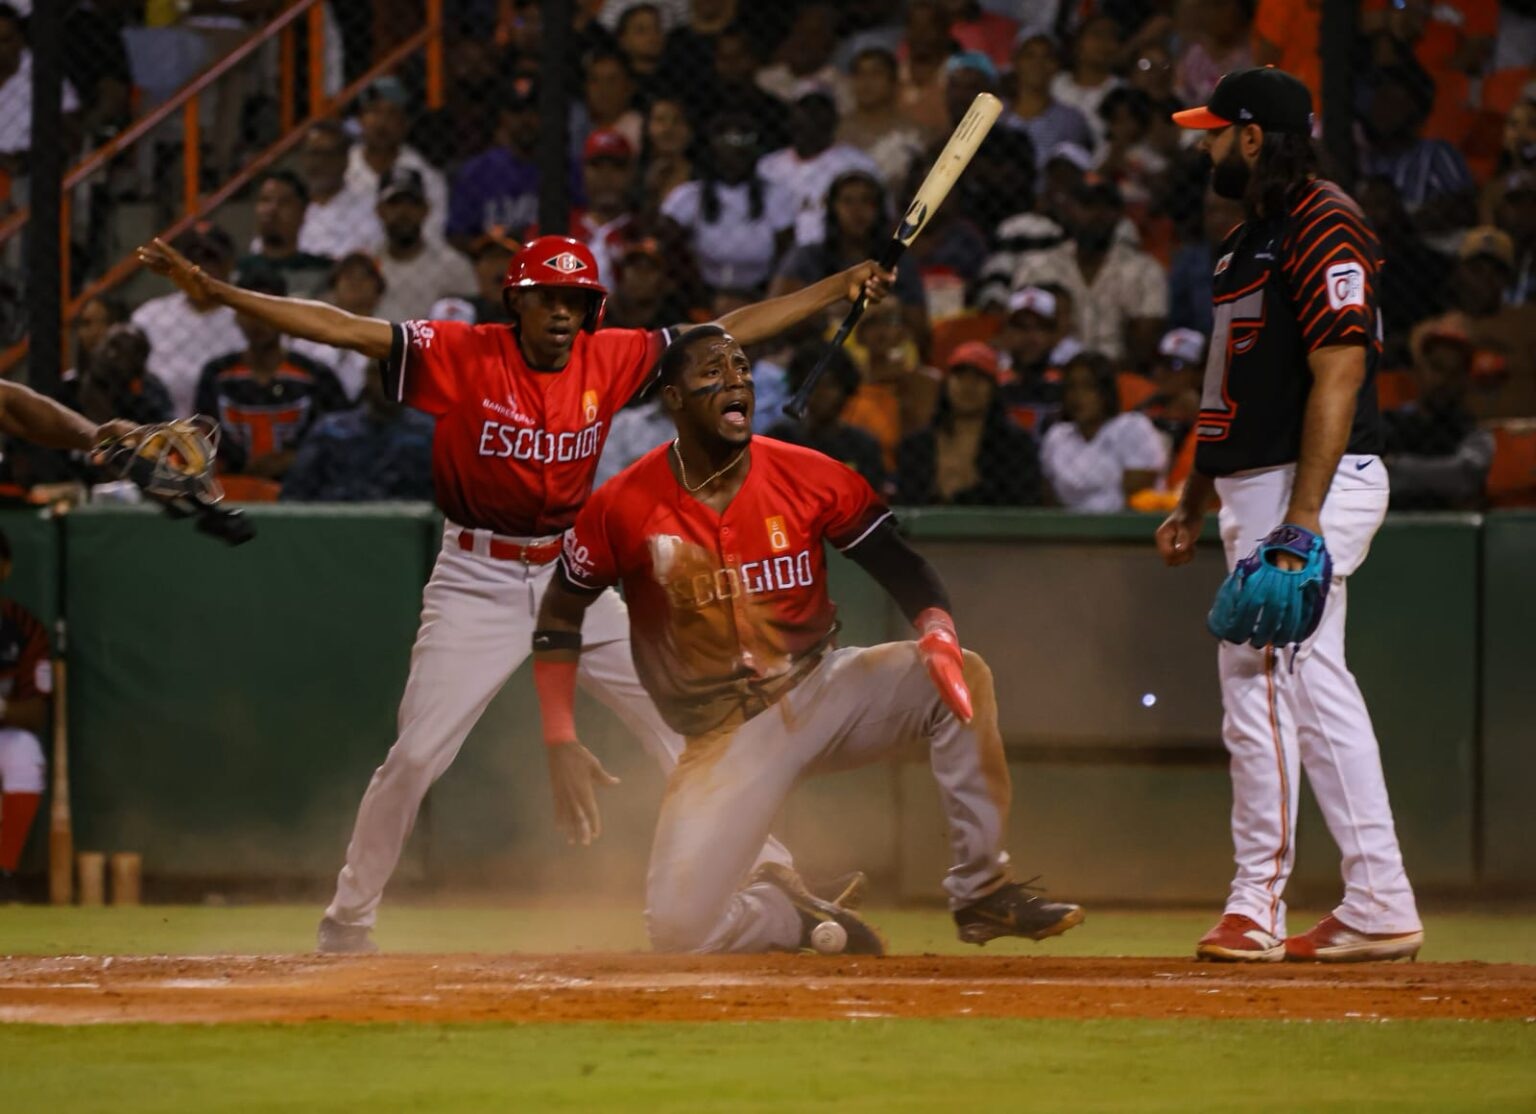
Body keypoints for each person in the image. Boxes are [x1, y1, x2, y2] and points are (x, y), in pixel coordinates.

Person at [136, 230, 897, 954]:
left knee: (690, 724)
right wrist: (215, 290)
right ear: (516, 303)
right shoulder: (461, 353)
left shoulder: (613, 356)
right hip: (476, 579)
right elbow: (340, 328)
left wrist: (836, 287)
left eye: (576, 300)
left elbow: (727, 329)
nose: (564, 312)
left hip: (573, 577)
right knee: (417, 756)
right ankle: (347, 920)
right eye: (547, 298)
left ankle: (778, 874)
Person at [529, 325, 1084, 954]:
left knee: (963, 675)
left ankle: (982, 890)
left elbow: (902, 566)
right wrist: (558, 733)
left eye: (741, 366)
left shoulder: (807, 474)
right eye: (712, 370)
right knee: (679, 931)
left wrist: (936, 628)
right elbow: (558, 615)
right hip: (723, 739)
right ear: (674, 399)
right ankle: (783, 912)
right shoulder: (622, 505)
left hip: (824, 689)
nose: (735, 378)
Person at [1157, 68, 1423, 963]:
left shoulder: (1325, 222)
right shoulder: (1243, 245)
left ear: (1255, 138)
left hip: (1316, 484)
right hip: (1253, 488)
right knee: (1304, 677)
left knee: (1267, 671)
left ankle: (1256, 902)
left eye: (1215, 131)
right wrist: (1196, 498)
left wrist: (1301, 522)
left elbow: (1338, 373)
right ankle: (1378, 897)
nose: (1204, 145)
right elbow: (1226, 392)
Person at [193, 271, 349, 481]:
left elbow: (343, 436)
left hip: (303, 488)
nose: (257, 321)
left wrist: (296, 458)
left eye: (266, 311)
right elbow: (204, 435)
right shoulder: (217, 375)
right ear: (236, 316)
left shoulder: (315, 375)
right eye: (248, 310)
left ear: (285, 315)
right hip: (232, 487)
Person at [1011, 176, 1167, 367]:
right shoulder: (1037, 267)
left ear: (1119, 214)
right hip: (1052, 372)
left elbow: (1145, 348)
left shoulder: (1145, 270)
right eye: (1087, 205)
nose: (1097, 215)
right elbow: (1019, 334)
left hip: (1121, 376)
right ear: (1069, 210)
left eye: (1106, 207)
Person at [771, 170, 929, 348]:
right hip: (817, 353)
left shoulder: (898, 260)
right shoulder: (807, 257)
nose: (857, 211)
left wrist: (889, 308)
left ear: (879, 209)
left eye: (866, 201)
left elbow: (920, 328)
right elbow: (775, 319)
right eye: (847, 201)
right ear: (832, 208)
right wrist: (828, 310)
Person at [660, 113, 796, 291]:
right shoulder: (688, 196)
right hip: (701, 293)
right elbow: (665, 246)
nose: (733, 157)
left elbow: (786, 256)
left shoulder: (776, 196)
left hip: (760, 294)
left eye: (741, 149)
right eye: (727, 146)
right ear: (713, 151)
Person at [896, 341, 1040, 506]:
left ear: (993, 388)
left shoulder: (1016, 446)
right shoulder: (916, 446)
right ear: (947, 383)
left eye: (979, 377)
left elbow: (1024, 505)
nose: (968, 386)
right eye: (960, 376)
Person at [131, 223, 246, 418]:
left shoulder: (245, 316)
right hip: (159, 427)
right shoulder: (150, 316)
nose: (199, 270)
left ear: (229, 264)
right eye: (192, 261)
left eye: (210, 259)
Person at [281, 362, 436, 503]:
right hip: (339, 525)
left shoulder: (429, 434)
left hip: (408, 528)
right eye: (381, 374)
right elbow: (296, 493)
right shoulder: (331, 431)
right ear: (368, 378)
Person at [1381, 323, 1493, 510]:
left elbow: (1464, 477)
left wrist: (1396, 467)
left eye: (1454, 372)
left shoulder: (1474, 433)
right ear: (1417, 372)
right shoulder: (1388, 424)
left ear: (1465, 380)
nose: (1443, 380)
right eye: (1436, 367)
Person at [1040, 351, 1167, 511]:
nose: (1077, 396)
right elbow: (1048, 499)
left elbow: (1138, 498)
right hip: (1068, 531)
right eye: (1071, 387)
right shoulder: (1056, 436)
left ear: (1105, 392)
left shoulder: (1132, 427)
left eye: (1088, 387)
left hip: (1123, 531)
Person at [759, 90, 881, 249]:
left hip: (838, 255)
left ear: (833, 123)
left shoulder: (858, 164)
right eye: (805, 119)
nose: (811, 125)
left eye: (818, 119)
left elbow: (879, 216)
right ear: (791, 122)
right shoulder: (768, 166)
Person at [0, 528, 50, 903]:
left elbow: (35, 712)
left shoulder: (23, 626)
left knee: (25, 753)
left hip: (5, 729)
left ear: (5, 568)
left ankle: (4, 870)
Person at [764, 342, 887, 490]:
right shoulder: (780, 439)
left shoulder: (863, 445)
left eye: (830, 385)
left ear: (845, 388)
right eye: (814, 385)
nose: (821, 394)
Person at [346, 77, 450, 244]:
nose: (382, 122)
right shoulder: (340, 168)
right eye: (374, 111)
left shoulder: (427, 177)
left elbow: (432, 239)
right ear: (360, 120)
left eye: (392, 113)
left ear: (406, 123)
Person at [447, 76, 548, 245]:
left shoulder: (564, 168)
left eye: (532, 110)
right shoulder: (476, 172)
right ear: (503, 116)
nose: (525, 120)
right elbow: (458, 235)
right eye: (516, 111)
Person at [372, 169, 477, 323]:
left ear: (426, 209)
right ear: (380, 211)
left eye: (412, 203)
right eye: (394, 203)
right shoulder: (369, 266)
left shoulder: (454, 265)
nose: (403, 212)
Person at [291, 252, 389, 401]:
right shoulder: (309, 336)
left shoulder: (387, 337)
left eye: (364, 276)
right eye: (348, 275)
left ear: (379, 293)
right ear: (333, 287)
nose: (355, 282)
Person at [837, 47, 926, 195]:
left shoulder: (912, 135)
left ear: (893, 82)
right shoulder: (836, 130)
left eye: (876, 74)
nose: (866, 82)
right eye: (860, 74)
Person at [237, 171, 334, 300]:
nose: (272, 209)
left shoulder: (323, 273)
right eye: (265, 200)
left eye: (284, 202)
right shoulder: (238, 271)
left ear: (303, 211)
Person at [1008, 30, 1095, 172]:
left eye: (1047, 57)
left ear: (1057, 65)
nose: (1038, 63)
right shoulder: (996, 113)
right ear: (1016, 61)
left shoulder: (1071, 120)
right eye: (1030, 55)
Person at [296, 120, 384, 260]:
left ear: (345, 160)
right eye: (313, 153)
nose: (319, 162)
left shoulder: (370, 209)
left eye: (328, 154)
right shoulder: (290, 206)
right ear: (302, 158)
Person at [1051, 14, 1124, 149]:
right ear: (1078, 43)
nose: (1104, 43)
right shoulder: (1054, 84)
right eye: (1097, 34)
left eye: (1111, 37)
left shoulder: (1122, 92)